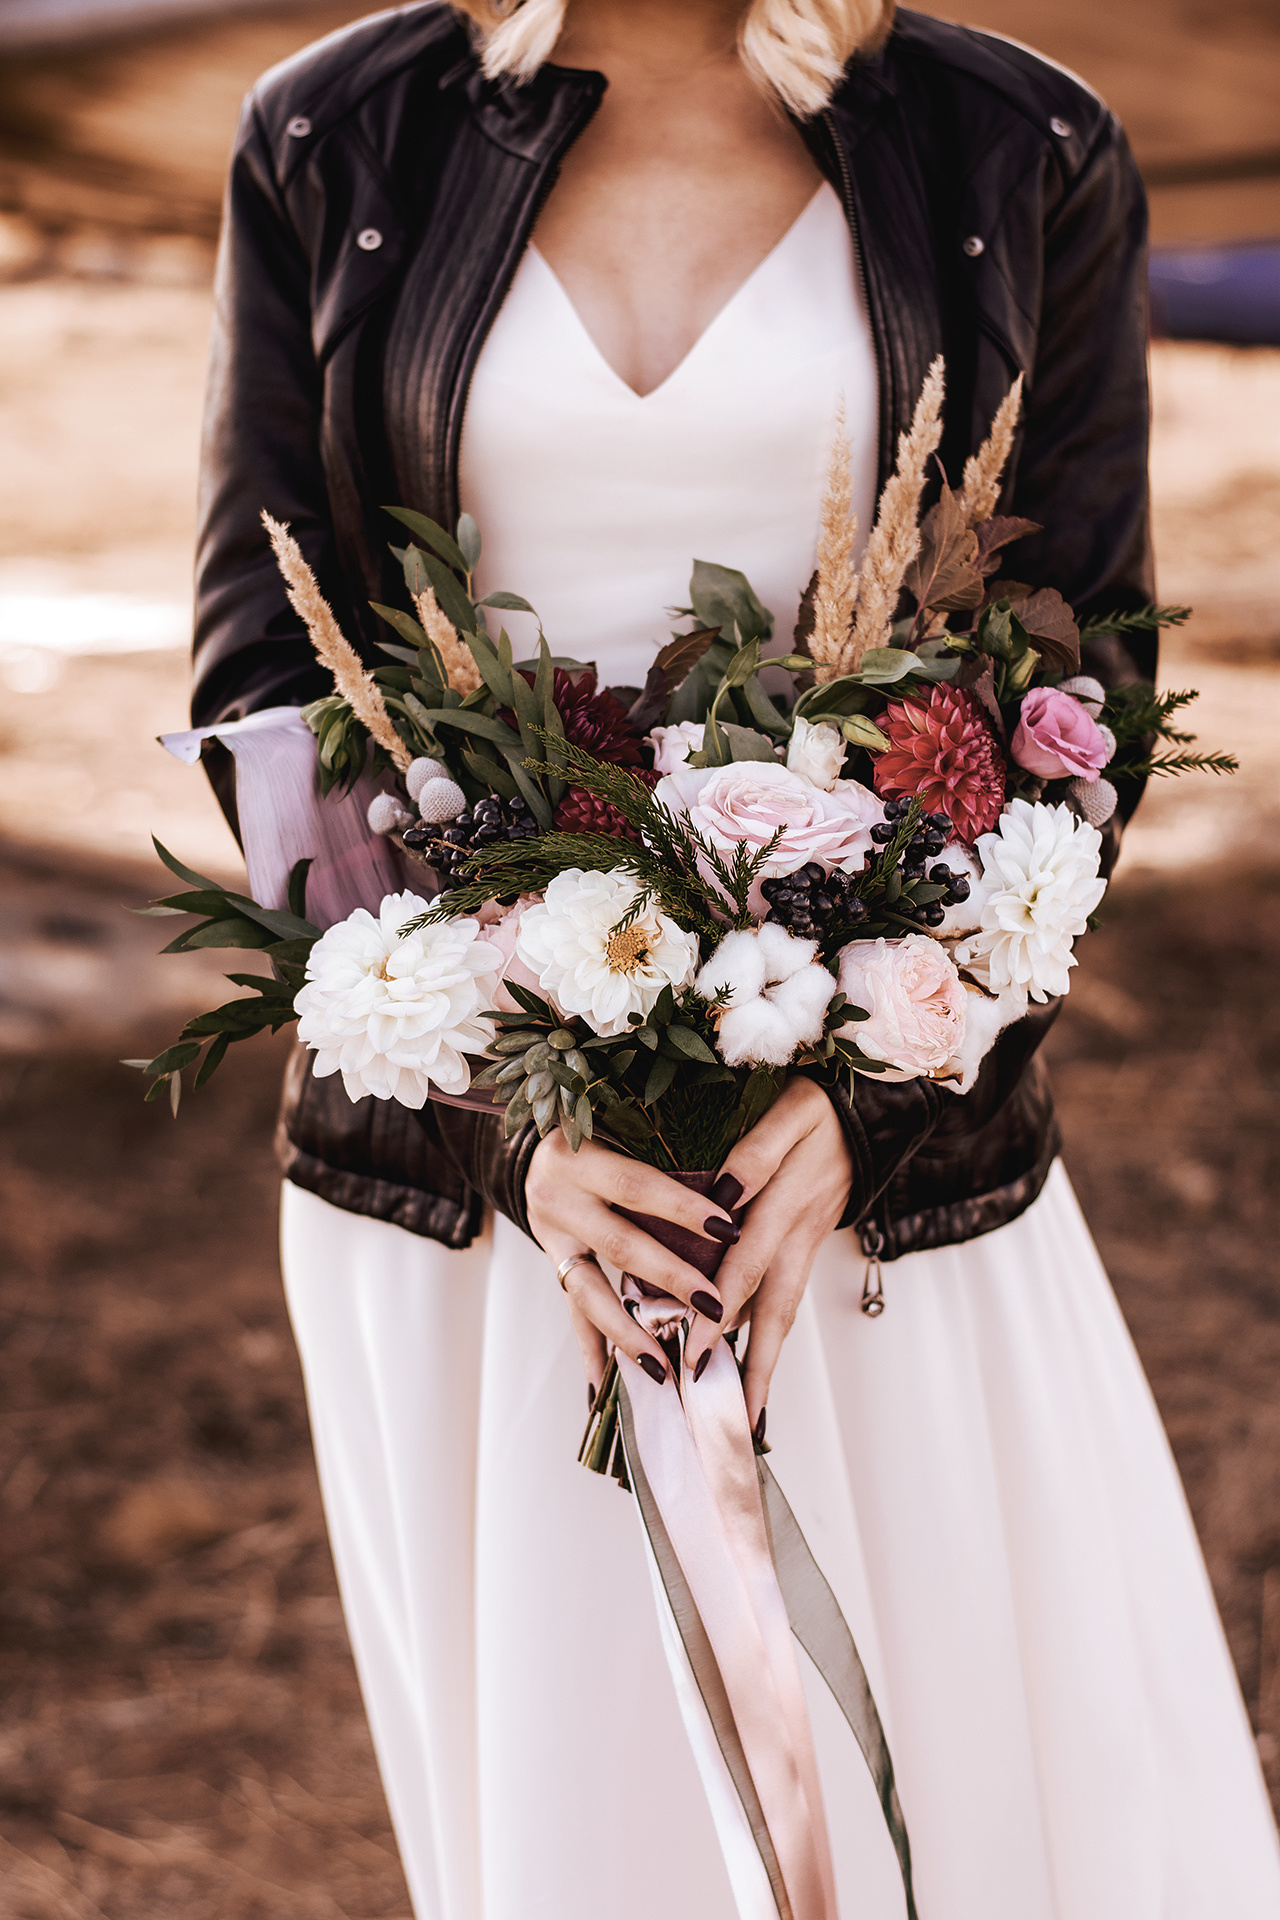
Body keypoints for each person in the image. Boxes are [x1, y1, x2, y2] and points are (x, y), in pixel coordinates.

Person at [192, 2, 1280, 1915]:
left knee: (981, 1779)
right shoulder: (330, 140)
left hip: (862, 1164)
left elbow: (1078, 680)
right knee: (578, 1831)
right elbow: (272, 699)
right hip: (483, 1192)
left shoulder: (1015, 143)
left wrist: (866, 1093)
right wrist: (512, 1131)